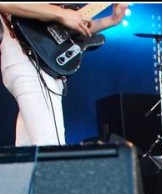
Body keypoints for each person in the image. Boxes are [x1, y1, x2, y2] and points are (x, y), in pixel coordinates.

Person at [0, 3, 128, 146]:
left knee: (28, 153)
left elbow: (64, 31)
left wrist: (111, 20)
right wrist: (61, 13)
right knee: (50, 149)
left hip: (41, 63)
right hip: (30, 61)